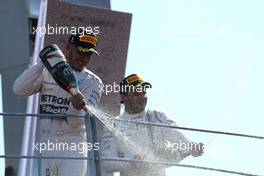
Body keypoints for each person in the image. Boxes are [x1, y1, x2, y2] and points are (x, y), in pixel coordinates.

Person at [13, 31, 103, 176]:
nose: (83, 57)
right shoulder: (46, 72)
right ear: (68, 47)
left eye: (88, 54)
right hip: (47, 143)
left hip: (73, 145)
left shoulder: (94, 81)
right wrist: (42, 64)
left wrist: (78, 104)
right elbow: (18, 89)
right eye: (80, 51)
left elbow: (89, 111)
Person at [101, 74, 204, 176]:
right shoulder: (113, 125)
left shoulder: (158, 116)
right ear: (124, 97)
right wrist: (131, 162)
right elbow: (107, 162)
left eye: (144, 93)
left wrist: (190, 145)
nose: (142, 97)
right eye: (136, 93)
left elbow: (174, 133)